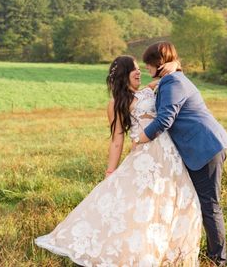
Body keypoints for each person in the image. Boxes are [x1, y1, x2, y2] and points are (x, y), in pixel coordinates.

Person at [35, 55, 202, 266]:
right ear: (124, 75)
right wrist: (110, 172)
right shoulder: (115, 104)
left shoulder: (149, 90)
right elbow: (117, 140)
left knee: (174, 200)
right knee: (144, 205)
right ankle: (142, 252)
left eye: (139, 68)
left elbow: (176, 80)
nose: (139, 72)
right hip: (145, 157)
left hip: (170, 156)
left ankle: (172, 251)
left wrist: (176, 64)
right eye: (134, 69)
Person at [135, 42, 227, 266]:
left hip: (206, 147)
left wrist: (139, 139)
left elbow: (164, 120)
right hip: (202, 146)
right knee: (201, 203)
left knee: (210, 205)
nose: (147, 69)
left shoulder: (173, 81)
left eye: (149, 65)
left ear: (158, 64)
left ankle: (218, 259)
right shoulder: (171, 79)